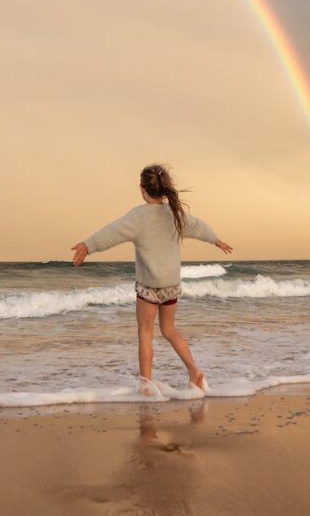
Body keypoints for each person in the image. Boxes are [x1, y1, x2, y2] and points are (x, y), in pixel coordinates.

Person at [71, 163, 232, 395]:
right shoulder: (174, 215)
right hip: (171, 286)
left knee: (145, 334)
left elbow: (112, 232)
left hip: (149, 287)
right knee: (169, 331)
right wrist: (216, 240)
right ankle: (195, 373)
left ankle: (146, 385)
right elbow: (198, 227)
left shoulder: (139, 216)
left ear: (142, 189)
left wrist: (89, 245)